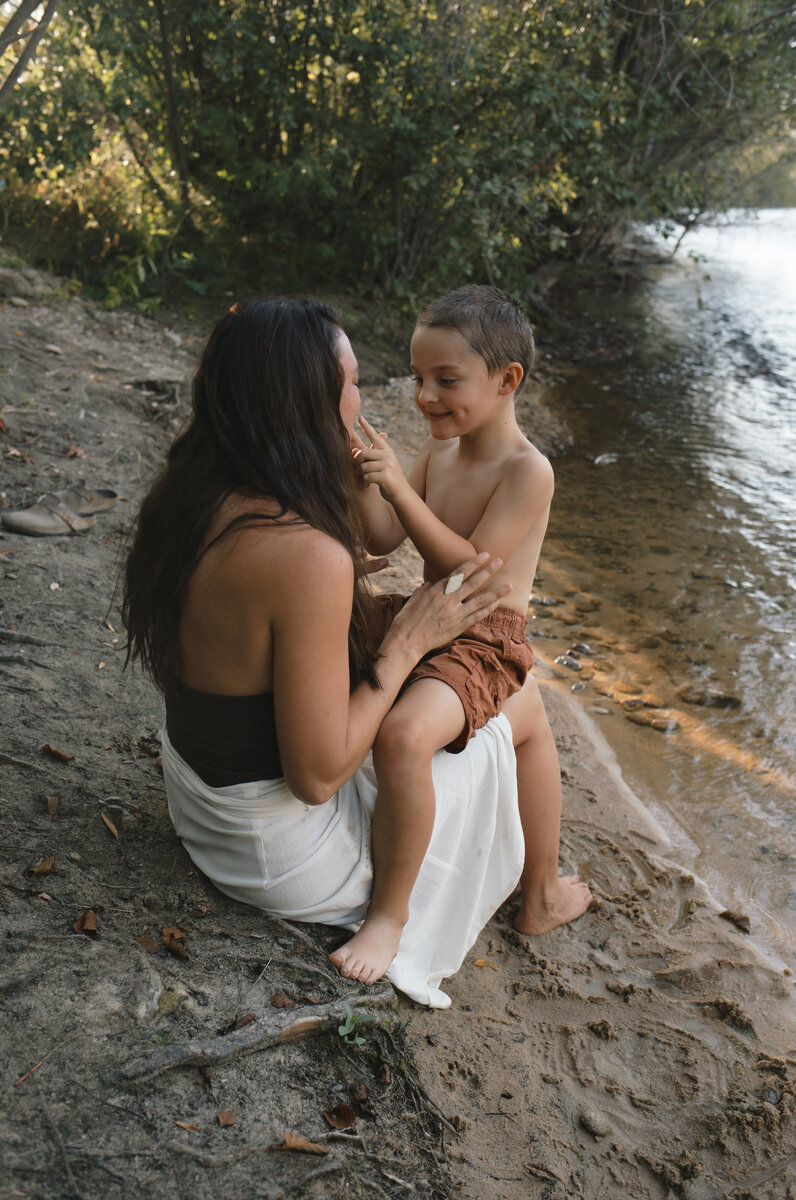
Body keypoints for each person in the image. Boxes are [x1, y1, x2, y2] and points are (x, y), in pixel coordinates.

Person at [122, 296, 543, 1009]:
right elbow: (317, 778)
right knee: (520, 704)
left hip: (204, 806)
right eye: (351, 383)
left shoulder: (199, 497)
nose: (365, 401)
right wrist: (406, 642)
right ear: (306, 402)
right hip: (281, 857)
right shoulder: (306, 554)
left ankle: (546, 883)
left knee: (475, 692)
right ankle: (485, 899)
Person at [331, 285, 592, 986]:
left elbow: (471, 572)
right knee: (324, 627)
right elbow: (383, 535)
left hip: (484, 636)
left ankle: (389, 917)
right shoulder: (438, 450)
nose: (424, 396)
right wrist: (362, 473)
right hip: (430, 613)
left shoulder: (527, 471)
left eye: (446, 380)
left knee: (403, 736)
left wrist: (400, 489)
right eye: (418, 377)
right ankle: (541, 890)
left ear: (507, 381)